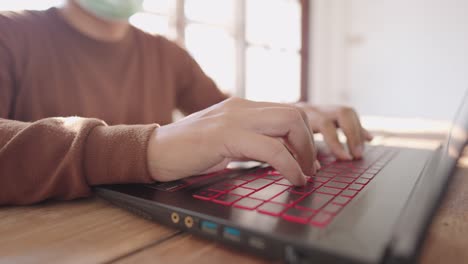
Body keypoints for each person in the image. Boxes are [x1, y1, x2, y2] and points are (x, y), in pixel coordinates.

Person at [0, 0, 372, 205]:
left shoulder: (166, 54)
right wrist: (148, 150)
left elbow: (221, 114)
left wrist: (294, 112)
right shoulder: (10, 33)